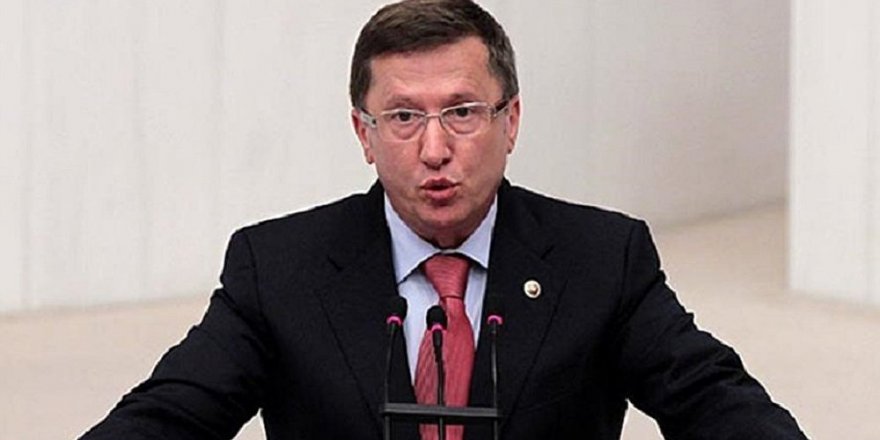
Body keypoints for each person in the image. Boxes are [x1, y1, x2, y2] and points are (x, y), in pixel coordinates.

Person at [81, 1, 808, 439]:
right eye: (403, 117)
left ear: (510, 120)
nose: (435, 149)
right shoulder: (278, 267)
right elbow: (174, 413)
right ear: (364, 133)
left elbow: (712, 399)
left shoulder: (601, 257)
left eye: (461, 112)